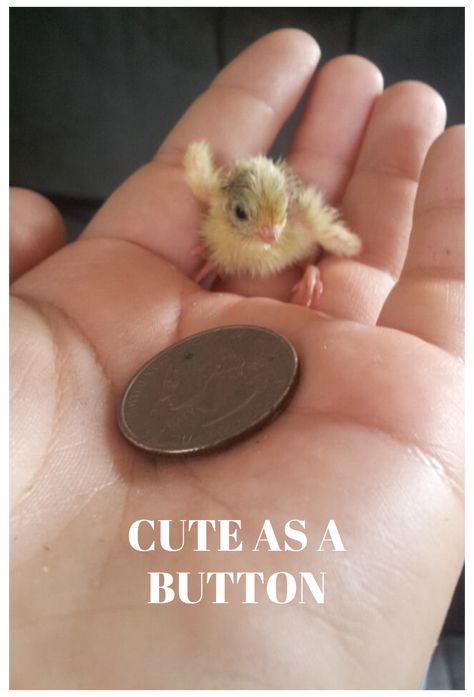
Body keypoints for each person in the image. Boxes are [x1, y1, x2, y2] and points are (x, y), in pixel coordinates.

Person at [10, 29, 464, 689]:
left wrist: (312, 263)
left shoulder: (288, 219)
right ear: (227, 208)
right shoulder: (222, 220)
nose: (271, 232)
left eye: (277, 219)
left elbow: (321, 231)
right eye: (252, 217)